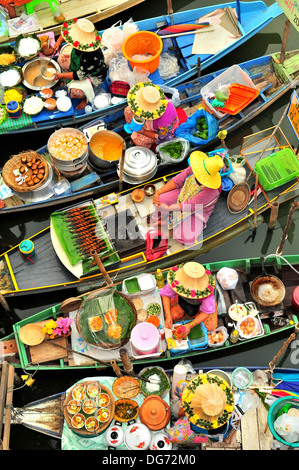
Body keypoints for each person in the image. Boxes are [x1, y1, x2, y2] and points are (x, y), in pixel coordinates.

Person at [151, 151, 223, 245]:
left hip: (197, 211)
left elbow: (190, 206)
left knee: (187, 237)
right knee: (160, 200)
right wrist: (159, 192)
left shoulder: (212, 190)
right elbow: (177, 181)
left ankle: (170, 225)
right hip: (183, 194)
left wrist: (168, 208)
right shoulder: (195, 168)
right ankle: (170, 222)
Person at [53, 18, 108, 110]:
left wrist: (62, 75)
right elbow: (65, 35)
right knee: (61, 59)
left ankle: (86, 98)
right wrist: (58, 42)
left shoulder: (90, 57)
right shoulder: (79, 39)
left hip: (93, 76)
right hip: (79, 67)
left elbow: (79, 76)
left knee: (76, 91)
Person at [160, 261, 218, 337]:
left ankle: (195, 314)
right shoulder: (177, 281)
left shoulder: (206, 292)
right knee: (172, 315)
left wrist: (190, 325)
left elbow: (206, 312)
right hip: (183, 302)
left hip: (201, 307)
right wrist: (168, 315)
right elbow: (166, 294)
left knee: (211, 326)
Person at [125, 82, 180, 148]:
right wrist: (136, 114)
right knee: (128, 110)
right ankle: (131, 128)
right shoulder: (152, 96)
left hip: (160, 131)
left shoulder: (165, 120)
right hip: (150, 122)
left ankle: (147, 147)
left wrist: (144, 132)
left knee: (137, 139)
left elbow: (160, 137)